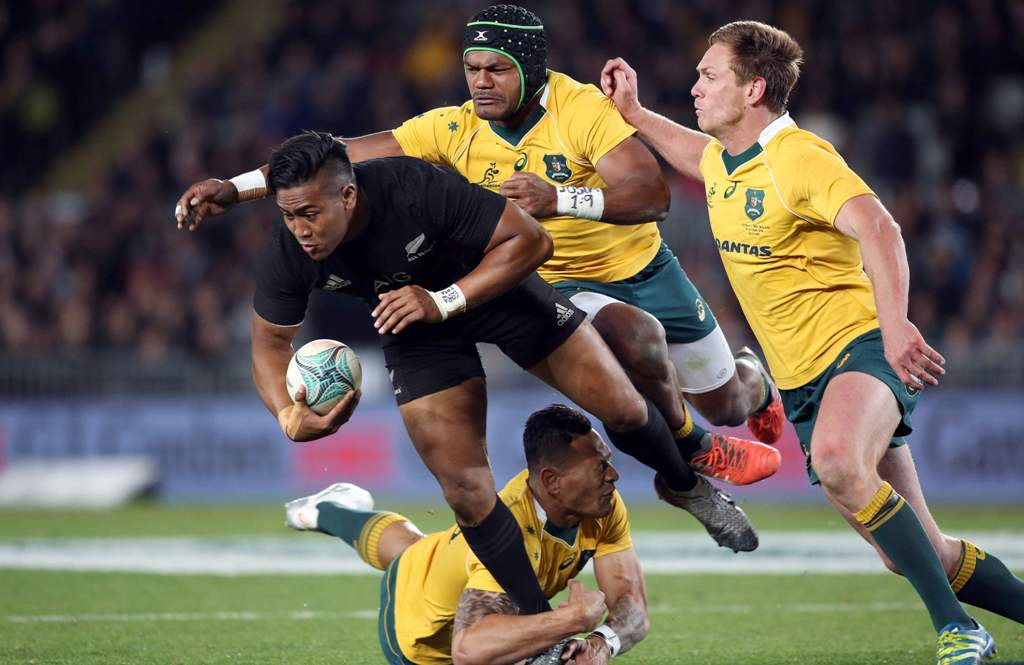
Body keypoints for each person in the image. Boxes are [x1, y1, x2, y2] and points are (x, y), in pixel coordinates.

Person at [174, 3, 784, 491]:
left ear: (531, 69)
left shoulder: (579, 108)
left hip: (645, 268)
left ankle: (755, 386)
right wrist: (238, 186)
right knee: (636, 337)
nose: (480, 82)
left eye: (496, 69)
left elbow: (652, 195)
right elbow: (338, 156)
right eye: (472, 68)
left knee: (729, 402)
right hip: (557, 281)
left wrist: (559, 197)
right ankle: (694, 452)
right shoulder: (451, 127)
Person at [600, 20, 1024, 665]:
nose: (695, 88)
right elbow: (696, 154)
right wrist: (633, 114)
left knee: (836, 460)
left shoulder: (800, 157)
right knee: (915, 553)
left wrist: (896, 324)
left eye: (710, 76)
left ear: (753, 90)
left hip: (859, 350)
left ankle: (958, 630)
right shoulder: (727, 162)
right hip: (801, 382)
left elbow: (879, 228)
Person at [244, 130, 755, 644]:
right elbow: (269, 342)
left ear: (348, 195)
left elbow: (533, 241)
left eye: (309, 214)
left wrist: (443, 300)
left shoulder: (414, 188)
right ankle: (538, 625)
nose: (300, 230)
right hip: (416, 328)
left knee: (623, 407)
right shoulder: (290, 249)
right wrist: (287, 414)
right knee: (466, 492)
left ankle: (686, 488)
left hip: (497, 290)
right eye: (288, 216)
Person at [285, 405, 649, 665]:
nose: (613, 475)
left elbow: (632, 606)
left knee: (414, 551)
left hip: (437, 563)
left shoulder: (602, 506)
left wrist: (602, 641)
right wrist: (571, 621)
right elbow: (468, 651)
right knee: (410, 562)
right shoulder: (510, 533)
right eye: (600, 467)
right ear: (552, 481)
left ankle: (330, 509)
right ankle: (329, 512)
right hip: (422, 638)